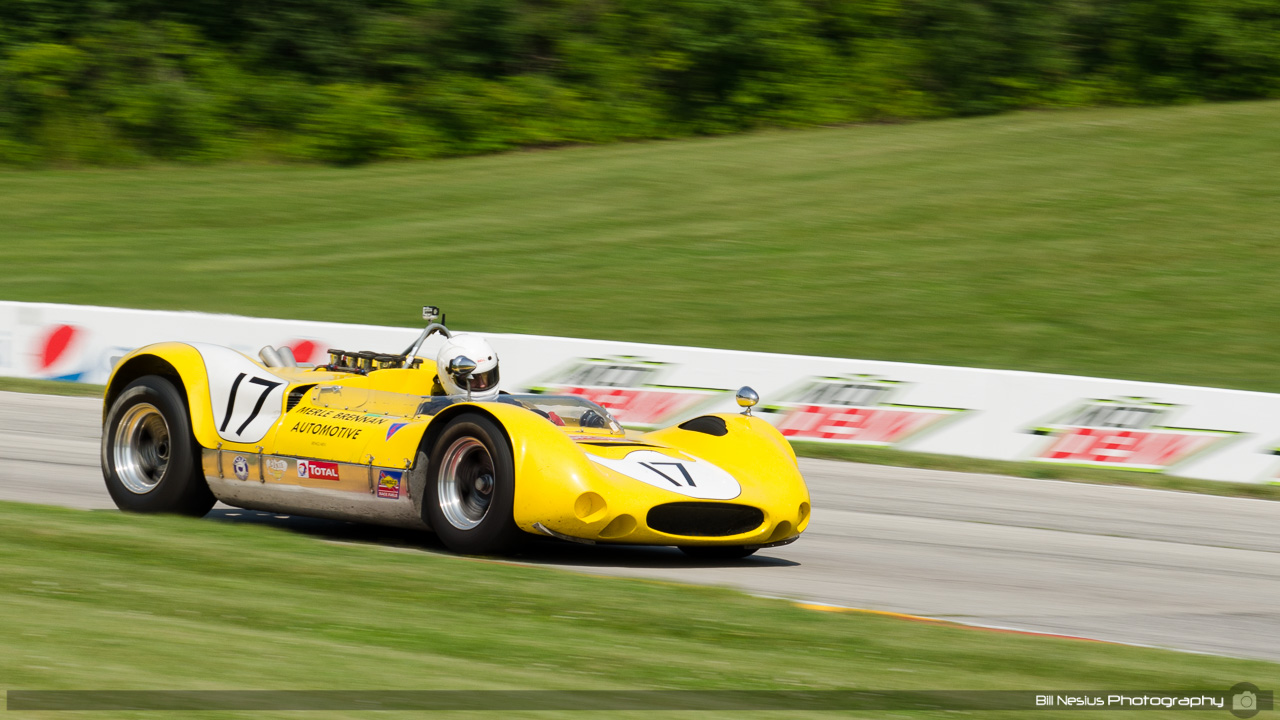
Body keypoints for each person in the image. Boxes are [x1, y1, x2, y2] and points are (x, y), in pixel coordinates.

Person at [434, 334, 501, 400]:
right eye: (472, 379)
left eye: (486, 376)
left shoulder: (507, 405)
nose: (482, 385)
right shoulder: (432, 410)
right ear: (449, 378)